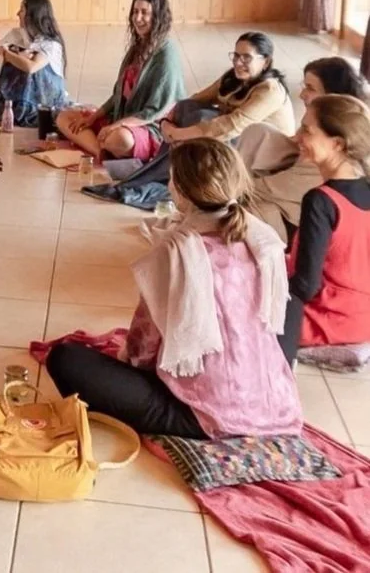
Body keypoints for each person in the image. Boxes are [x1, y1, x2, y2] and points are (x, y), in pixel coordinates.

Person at [47, 139, 301, 439]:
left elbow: (143, 350)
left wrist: (127, 360)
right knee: (292, 303)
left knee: (65, 358)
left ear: (179, 190)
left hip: (201, 413)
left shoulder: (177, 253)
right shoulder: (263, 239)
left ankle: (198, 418)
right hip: (272, 403)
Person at [279, 95, 370, 364]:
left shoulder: (322, 201)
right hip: (363, 317)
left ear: (337, 143)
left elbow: (305, 286)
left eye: (306, 130)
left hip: (325, 318)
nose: (297, 137)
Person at [242, 58, 367, 241]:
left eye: (310, 88)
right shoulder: (326, 126)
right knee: (258, 133)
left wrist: (221, 190)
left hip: (294, 218)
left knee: (238, 212)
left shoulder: (323, 191)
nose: (301, 94)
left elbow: (308, 268)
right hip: (295, 182)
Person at [56, 0, 184, 161]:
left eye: (144, 13)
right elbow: (117, 96)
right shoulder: (137, 48)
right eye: (135, 12)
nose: (137, 18)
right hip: (121, 119)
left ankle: (104, 145)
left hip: (149, 126)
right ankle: (98, 151)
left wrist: (116, 126)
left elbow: (156, 111)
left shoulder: (167, 54)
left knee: (120, 139)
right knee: (65, 117)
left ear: (158, 16)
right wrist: (92, 118)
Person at [159, 32, 293, 147]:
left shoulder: (271, 90)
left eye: (246, 57)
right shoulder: (233, 77)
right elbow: (200, 97)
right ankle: (172, 159)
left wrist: (178, 134)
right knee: (186, 106)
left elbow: (232, 125)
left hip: (263, 150)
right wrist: (169, 116)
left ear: (266, 62)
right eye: (236, 55)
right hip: (240, 137)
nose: (238, 63)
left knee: (202, 118)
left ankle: (177, 164)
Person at [0, 0, 68, 126]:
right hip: (17, 97)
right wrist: (12, 55)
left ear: (33, 15)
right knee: (13, 64)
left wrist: (7, 54)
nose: (17, 14)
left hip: (42, 99)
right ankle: (12, 107)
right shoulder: (17, 35)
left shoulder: (50, 44)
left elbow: (31, 67)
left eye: (22, 10)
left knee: (27, 67)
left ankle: (25, 110)